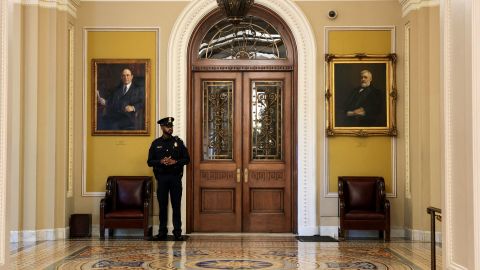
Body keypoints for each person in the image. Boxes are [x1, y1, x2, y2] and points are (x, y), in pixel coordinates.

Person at [147, 117, 190, 241]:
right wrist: (160, 162)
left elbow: (187, 159)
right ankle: (162, 232)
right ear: (162, 127)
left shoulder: (178, 142)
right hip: (162, 178)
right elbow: (149, 162)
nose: (170, 128)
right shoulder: (156, 144)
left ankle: (177, 232)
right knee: (163, 206)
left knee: (176, 205)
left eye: (171, 126)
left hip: (175, 178)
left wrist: (175, 161)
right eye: (167, 126)